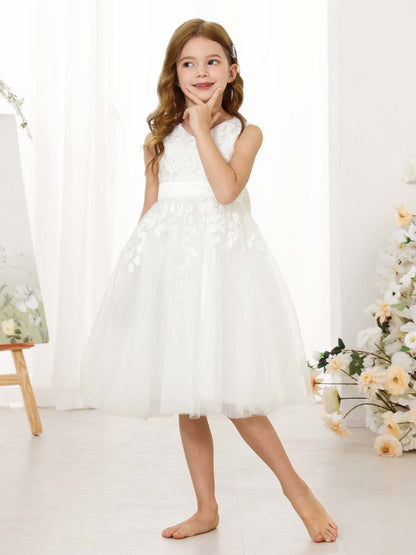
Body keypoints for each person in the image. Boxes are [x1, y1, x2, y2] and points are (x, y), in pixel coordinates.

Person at [80, 18, 338, 544]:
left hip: (221, 274)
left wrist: (201, 129)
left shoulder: (245, 133)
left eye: (212, 61)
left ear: (232, 70)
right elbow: (150, 212)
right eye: (188, 63)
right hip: (173, 274)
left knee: (236, 397)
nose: (201, 72)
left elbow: (225, 192)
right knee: (189, 397)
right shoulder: (157, 139)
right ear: (174, 73)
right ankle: (206, 509)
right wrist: (135, 281)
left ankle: (298, 491)